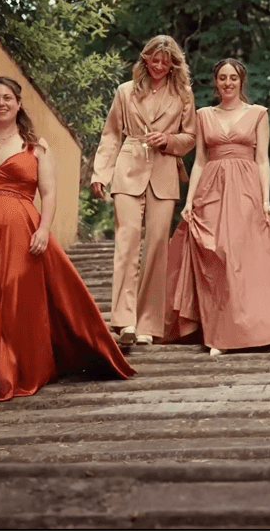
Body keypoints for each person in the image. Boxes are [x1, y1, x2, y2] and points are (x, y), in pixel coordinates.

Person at [0, 77, 135, 406]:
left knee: (16, 301)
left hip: (22, 233)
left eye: (7, 98)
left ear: (18, 103)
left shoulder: (36, 147)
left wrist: (44, 229)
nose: (1, 103)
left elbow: (48, 193)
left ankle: (14, 369)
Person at [159, 59, 270, 354]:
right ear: (216, 82)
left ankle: (255, 329)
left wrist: (265, 200)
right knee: (217, 255)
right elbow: (199, 160)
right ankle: (220, 334)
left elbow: (262, 160)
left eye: (233, 78)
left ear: (241, 81)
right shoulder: (204, 115)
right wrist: (189, 201)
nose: (227, 83)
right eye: (222, 78)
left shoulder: (257, 114)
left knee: (242, 257)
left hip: (246, 189)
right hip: (212, 189)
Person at [91, 35, 197, 346]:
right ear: (145, 58)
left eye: (166, 61)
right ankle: (124, 320)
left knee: (156, 246)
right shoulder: (125, 91)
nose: (159, 65)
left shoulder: (183, 94)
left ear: (173, 63)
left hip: (164, 171)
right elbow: (111, 133)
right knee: (127, 241)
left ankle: (149, 323)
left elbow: (190, 136)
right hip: (128, 167)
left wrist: (170, 141)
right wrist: (101, 172)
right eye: (155, 59)